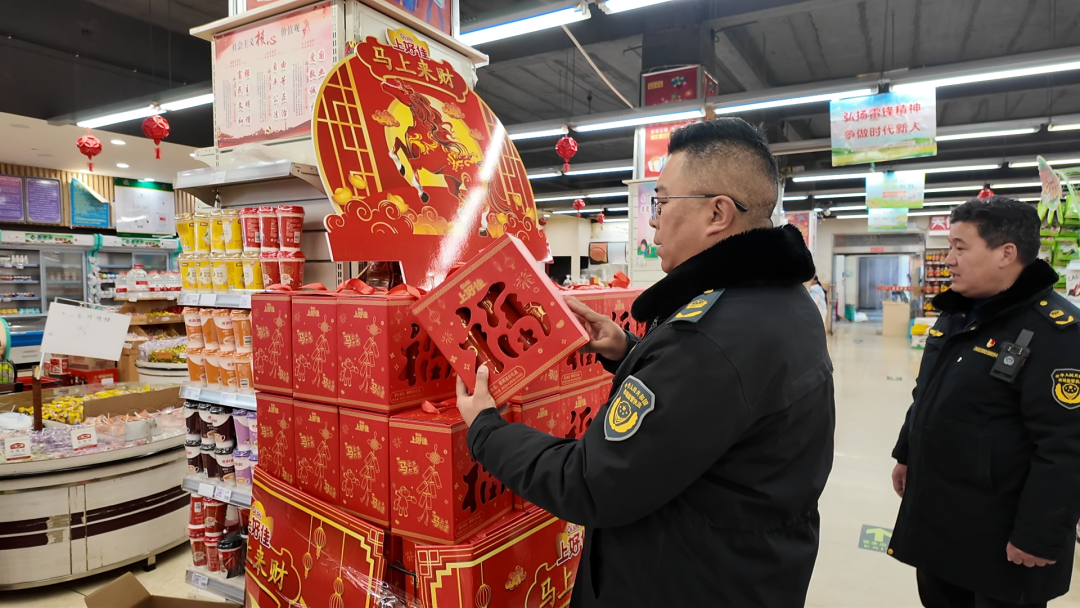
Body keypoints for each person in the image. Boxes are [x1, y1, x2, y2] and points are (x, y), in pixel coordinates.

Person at [456, 118, 835, 607]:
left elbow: (590, 482)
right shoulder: (786, 304)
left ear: (717, 213)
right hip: (750, 570)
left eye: (661, 202)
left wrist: (486, 429)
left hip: (681, 582)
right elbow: (713, 408)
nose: (652, 221)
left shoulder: (708, 339)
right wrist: (628, 350)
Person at [889, 196, 1080, 608]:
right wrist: (906, 453)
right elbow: (927, 391)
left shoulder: (1057, 332)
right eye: (949, 247)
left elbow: (1066, 446)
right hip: (942, 520)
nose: (949, 259)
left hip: (1005, 536)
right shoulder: (957, 314)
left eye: (960, 247)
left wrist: (1039, 535)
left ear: (1006, 253)